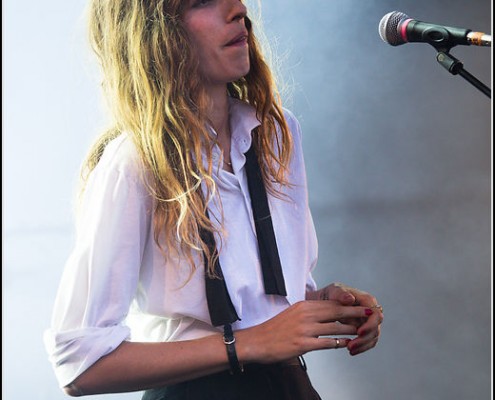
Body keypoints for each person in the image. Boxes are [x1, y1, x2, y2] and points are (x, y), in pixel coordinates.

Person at [44, 0, 384, 399]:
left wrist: (324, 304)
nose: (238, 9)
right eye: (203, 1)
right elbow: (80, 365)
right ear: (155, 33)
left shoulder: (278, 133)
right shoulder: (134, 162)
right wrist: (250, 343)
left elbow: (269, 305)